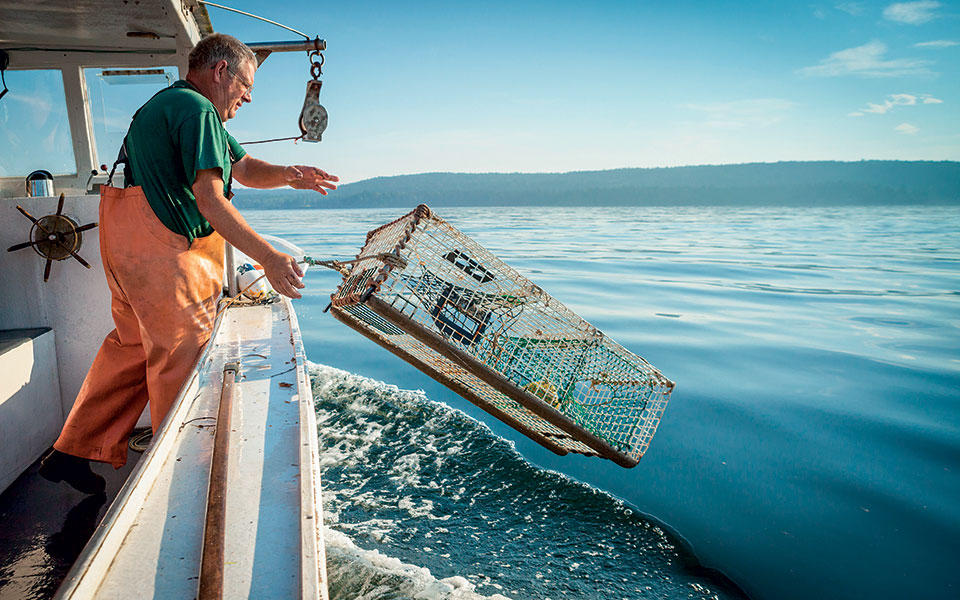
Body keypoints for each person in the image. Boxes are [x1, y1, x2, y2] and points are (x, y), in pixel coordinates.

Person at [39, 34, 338, 494]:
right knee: (180, 361)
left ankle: (74, 451)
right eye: (246, 83)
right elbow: (211, 200)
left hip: (127, 252)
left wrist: (291, 175)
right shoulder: (198, 111)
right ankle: (180, 480)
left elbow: (243, 167)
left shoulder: (176, 107)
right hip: (164, 259)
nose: (249, 96)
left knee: (132, 350)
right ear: (220, 71)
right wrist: (270, 258)